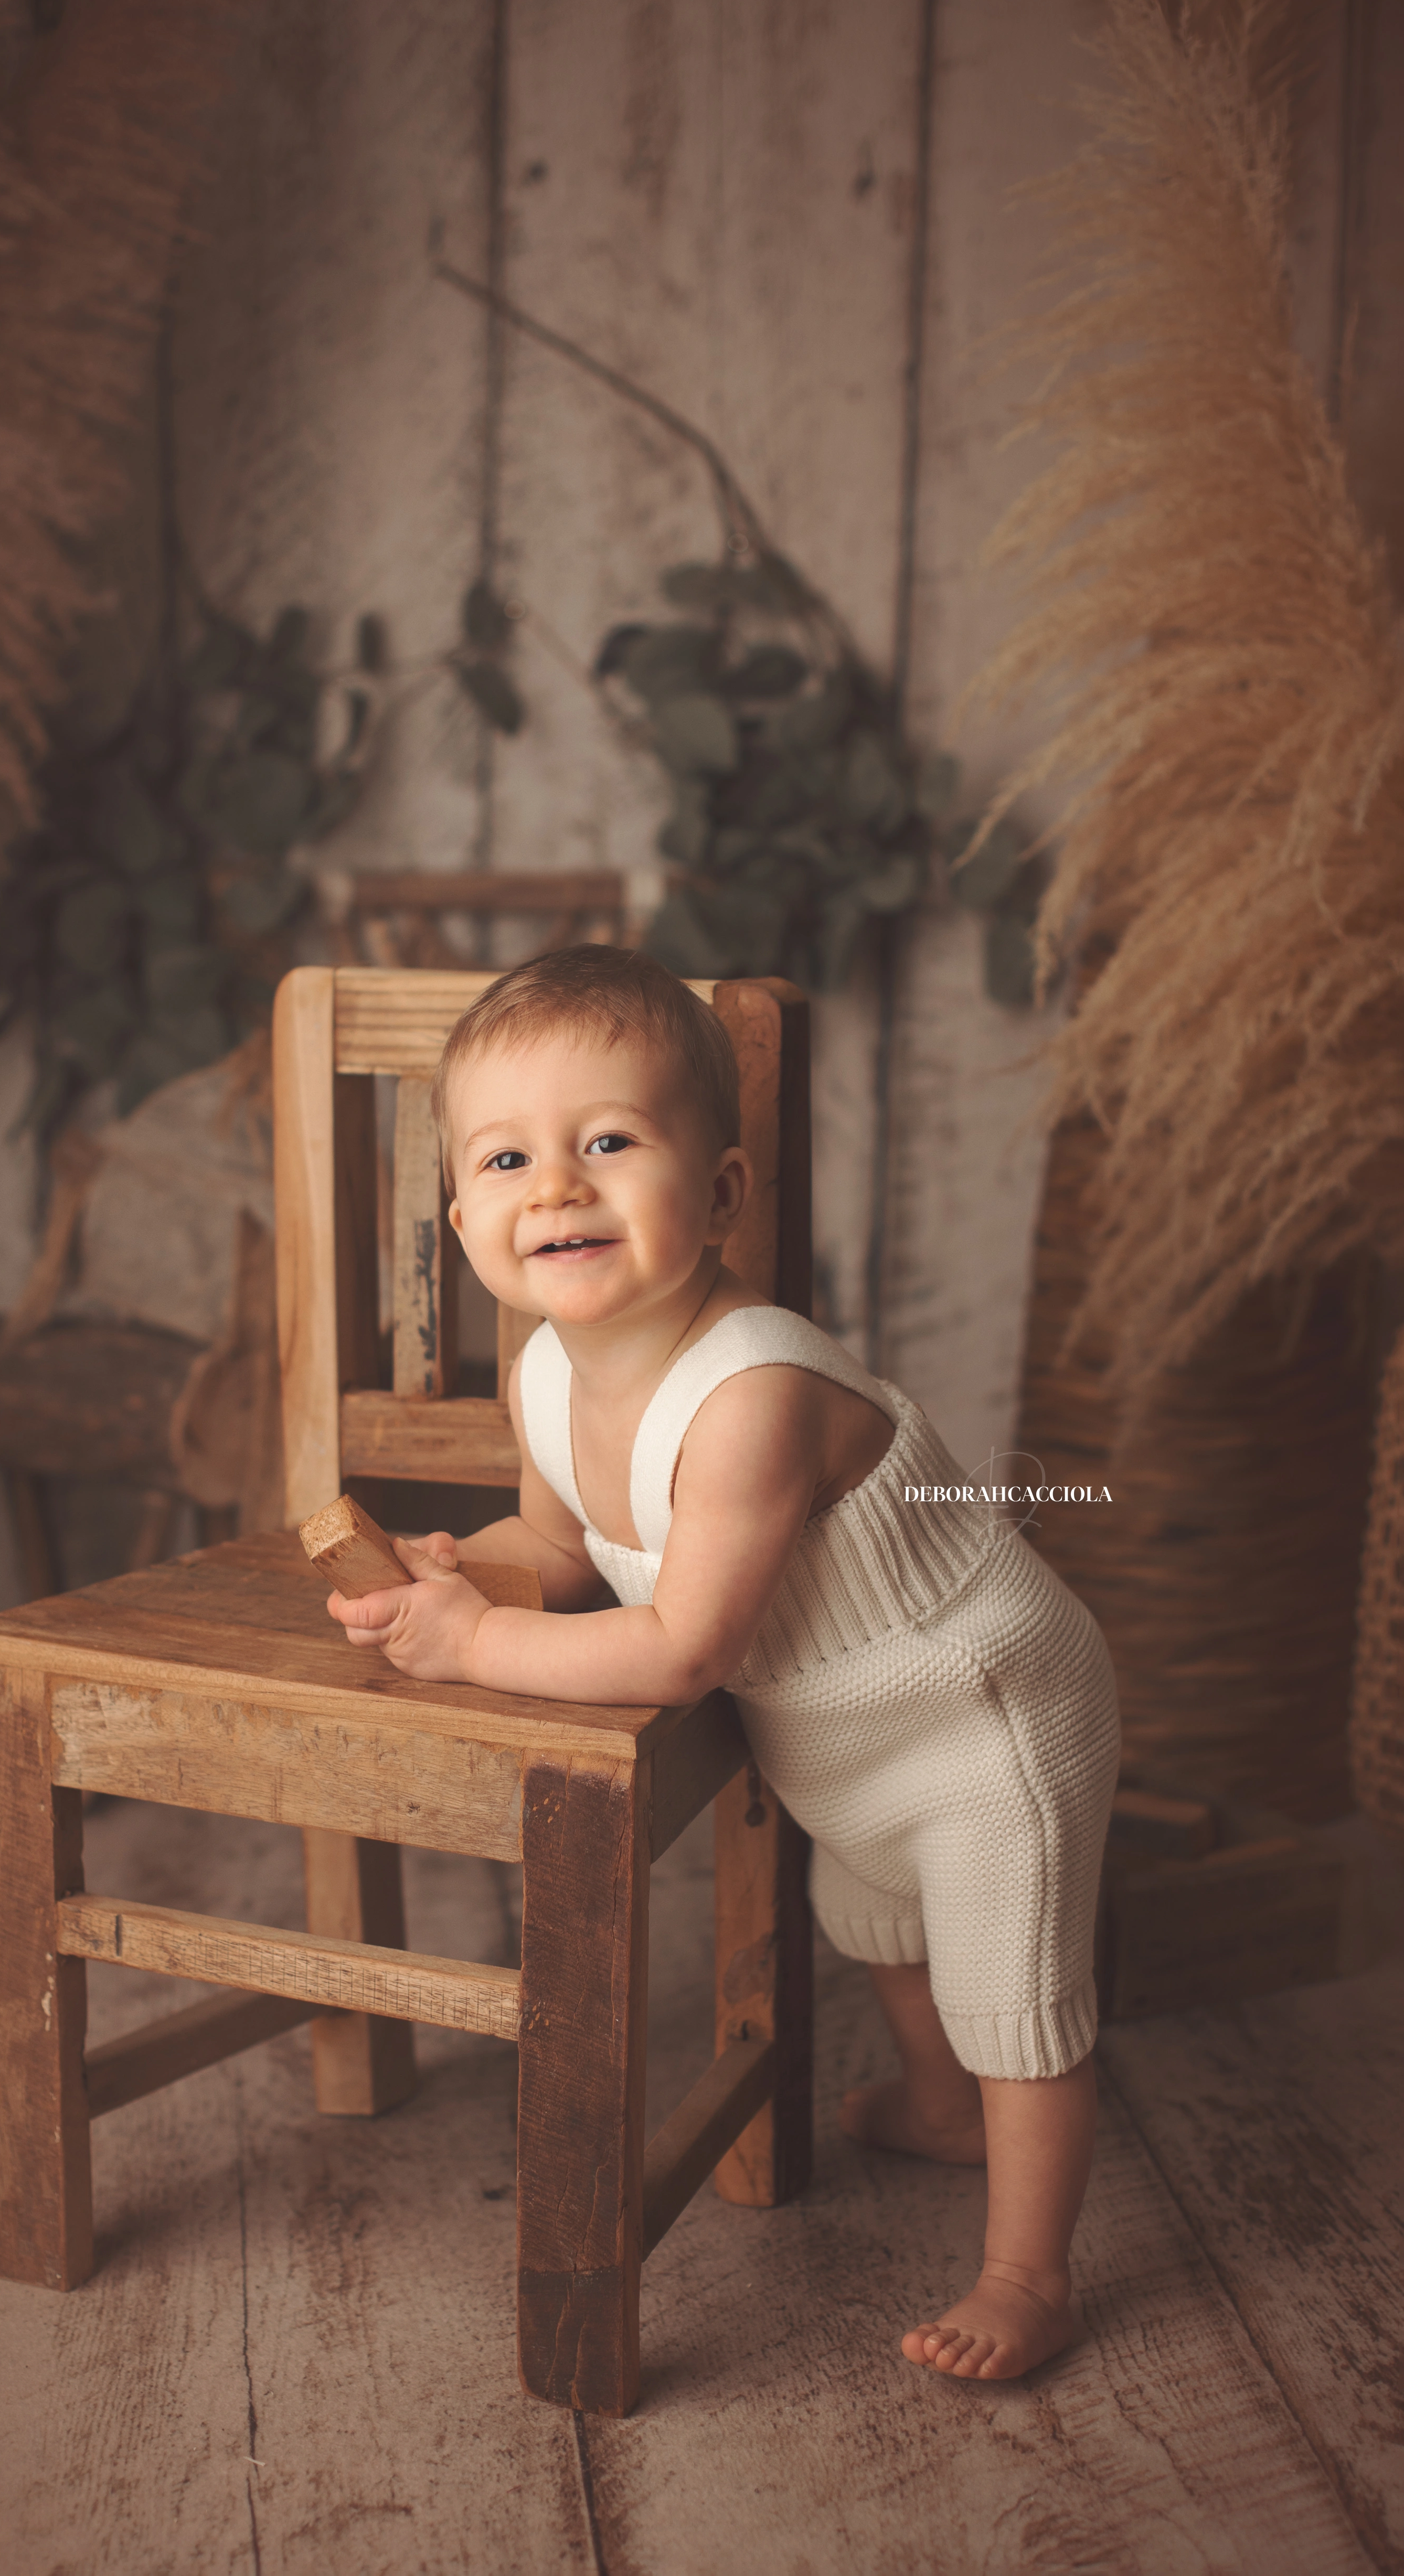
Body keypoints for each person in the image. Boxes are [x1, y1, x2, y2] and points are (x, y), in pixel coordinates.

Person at [326, 945, 1120, 2382]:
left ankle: (1028, 2270)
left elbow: (688, 1645)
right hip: (850, 1739)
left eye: (610, 1142)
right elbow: (562, 1543)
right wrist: (473, 1575)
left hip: (982, 1710)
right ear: (464, 1219)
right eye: (508, 1158)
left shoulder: (753, 1391)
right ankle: (942, 2110)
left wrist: (482, 1650)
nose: (556, 1185)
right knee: (878, 1921)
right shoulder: (546, 1371)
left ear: (726, 1193)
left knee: (1013, 1990)